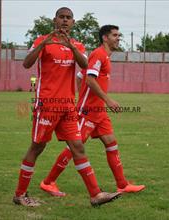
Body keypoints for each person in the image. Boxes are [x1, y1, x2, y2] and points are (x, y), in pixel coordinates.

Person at [13, 8, 121, 207]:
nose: (64, 21)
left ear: (73, 22)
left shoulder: (77, 44)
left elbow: (85, 65)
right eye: (61, 17)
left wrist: (71, 47)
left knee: (78, 147)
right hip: (47, 105)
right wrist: (44, 44)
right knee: (37, 147)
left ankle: (95, 195)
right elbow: (27, 64)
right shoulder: (42, 40)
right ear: (55, 20)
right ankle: (20, 194)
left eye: (68, 18)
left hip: (68, 108)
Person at [40, 25, 146, 197]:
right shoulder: (98, 54)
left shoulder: (106, 56)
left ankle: (122, 185)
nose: (118, 38)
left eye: (119, 35)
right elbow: (89, 80)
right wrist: (105, 100)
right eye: (115, 35)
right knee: (75, 147)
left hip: (100, 112)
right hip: (88, 111)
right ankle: (48, 182)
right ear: (105, 38)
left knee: (112, 144)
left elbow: (81, 76)